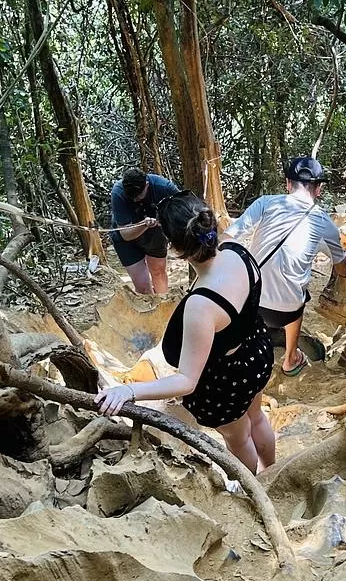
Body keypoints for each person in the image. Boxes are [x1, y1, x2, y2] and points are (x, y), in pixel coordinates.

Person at [96, 191, 276, 474]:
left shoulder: (201, 305)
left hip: (227, 381)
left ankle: (251, 485)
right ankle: (273, 470)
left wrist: (130, 390)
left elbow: (186, 381)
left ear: (173, 248)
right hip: (256, 352)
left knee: (239, 438)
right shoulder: (238, 251)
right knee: (257, 418)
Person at [226, 155, 346, 377]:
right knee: (300, 295)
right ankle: (291, 358)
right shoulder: (324, 222)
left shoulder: (265, 202)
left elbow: (229, 237)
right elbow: (342, 271)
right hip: (285, 312)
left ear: (287, 183)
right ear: (319, 189)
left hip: (250, 304)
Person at [109, 167, 179, 295]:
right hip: (127, 239)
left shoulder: (163, 187)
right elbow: (125, 235)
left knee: (158, 273)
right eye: (132, 197)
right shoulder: (118, 193)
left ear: (147, 185)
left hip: (155, 235)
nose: (135, 200)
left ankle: (164, 308)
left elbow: (183, 207)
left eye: (138, 196)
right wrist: (144, 225)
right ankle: (150, 311)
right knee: (143, 287)